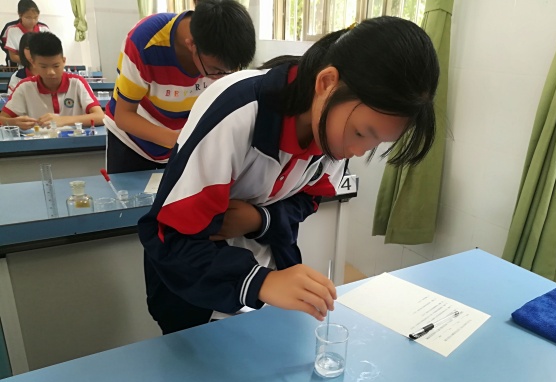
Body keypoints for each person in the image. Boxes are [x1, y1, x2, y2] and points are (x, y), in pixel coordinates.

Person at [138, 16, 440, 335]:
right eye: (362, 133)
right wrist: (261, 282)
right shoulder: (237, 111)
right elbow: (169, 236)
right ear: (326, 83)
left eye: (376, 143)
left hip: (263, 281)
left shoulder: (332, 136)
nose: (358, 151)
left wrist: (261, 220)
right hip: (195, 287)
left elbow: (308, 200)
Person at [104, 0, 256, 174]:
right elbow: (124, 116)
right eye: (215, 70)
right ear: (191, 45)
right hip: (132, 143)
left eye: (229, 71)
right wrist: (180, 140)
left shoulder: (223, 58)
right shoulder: (144, 42)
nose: (220, 77)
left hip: (180, 143)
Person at [0, 32, 104, 130]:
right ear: (33, 63)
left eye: (56, 66)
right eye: (43, 66)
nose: (51, 72)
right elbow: (2, 118)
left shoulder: (77, 83)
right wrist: (13, 122)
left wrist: (63, 120)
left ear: (63, 61)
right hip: (39, 142)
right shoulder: (25, 87)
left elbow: (100, 116)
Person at [2, 0, 49, 67]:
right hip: (23, 67)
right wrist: (32, 63)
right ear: (20, 15)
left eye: (35, 17)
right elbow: (13, 56)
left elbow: (50, 51)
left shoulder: (44, 29)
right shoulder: (12, 31)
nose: (32, 21)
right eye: (28, 18)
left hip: (43, 67)